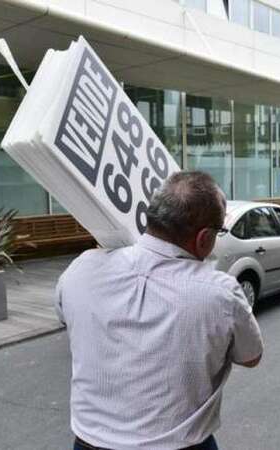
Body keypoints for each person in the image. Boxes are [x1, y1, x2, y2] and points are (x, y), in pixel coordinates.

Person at [56, 171, 263, 450]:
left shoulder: (82, 268)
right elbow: (251, 356)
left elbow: (64, 315)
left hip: (89, 444)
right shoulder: (220, 293)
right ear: (204, 238)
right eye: (219, 231)